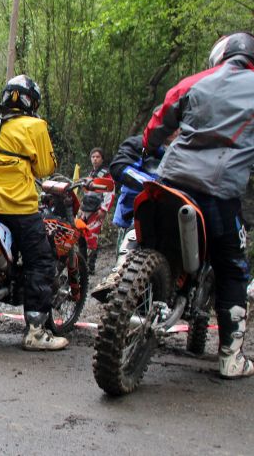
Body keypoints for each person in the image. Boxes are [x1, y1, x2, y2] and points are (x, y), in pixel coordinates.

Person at [143, 32, 254, 379]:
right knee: (233, 268)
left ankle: (124, 280)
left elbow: (158, 124)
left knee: (148, 240)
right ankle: (230, 357)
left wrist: (150, 147)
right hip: (218, 194)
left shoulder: (195, 81)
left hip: (170, 182)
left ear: (220, 54)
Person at [0, 74, 67, 351]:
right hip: (19, 207)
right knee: (41, 262)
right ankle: (36, 333)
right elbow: (45, 169)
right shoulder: (35, 126)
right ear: (31, 102)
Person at [89, 134, 164, 302]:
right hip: (135, 209)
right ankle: (118, 274)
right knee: (127, 242)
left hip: (173, 206)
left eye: (97, 156)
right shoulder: (139, 144)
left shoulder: (186, 147)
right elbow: (120, 166)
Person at [77, 148, 114, 274]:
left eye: (97, 157)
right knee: (81, 237)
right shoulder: (91, 174)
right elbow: (86, 193)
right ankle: (82, 264)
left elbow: (110, 193)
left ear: (102, 158)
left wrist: (103, 210)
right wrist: (81, 208)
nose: (95, 159)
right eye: (93, 157)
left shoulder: (106, 174)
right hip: (85, 210)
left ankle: (90, 266)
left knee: (92, 239)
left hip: (97, 211)